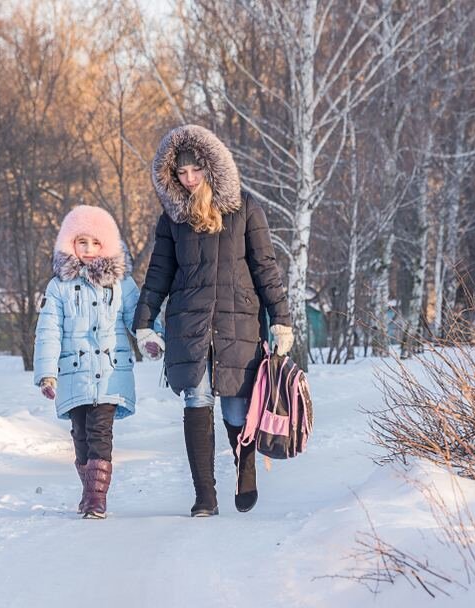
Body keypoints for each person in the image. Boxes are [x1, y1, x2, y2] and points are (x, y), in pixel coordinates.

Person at [133, 124, 293, 517]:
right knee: (196, 398)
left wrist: (281, 319)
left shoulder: (245, 208)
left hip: (237, 321)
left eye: (195, 171)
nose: (188, 180)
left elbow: (265, 268)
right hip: (189, 323)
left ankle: (245, 468)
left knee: (236, 410)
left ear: (211, 167)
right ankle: (205, 495)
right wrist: (145, 321)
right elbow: (158, 273)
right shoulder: (173, 219)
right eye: (180, 173)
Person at [33, 205, 139, 519]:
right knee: (80, 434)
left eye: (95, 242)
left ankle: (96, 498)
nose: (89, 250)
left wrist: (150, 337)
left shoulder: (122, 284)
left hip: (110, 371)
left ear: (106, 243)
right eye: (82, 242)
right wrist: (47, 374)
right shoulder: (59, 287)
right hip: (72, 372)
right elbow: (49, 330)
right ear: (70, 244)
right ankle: (88, 489)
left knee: (100, 431)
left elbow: (138, 318)